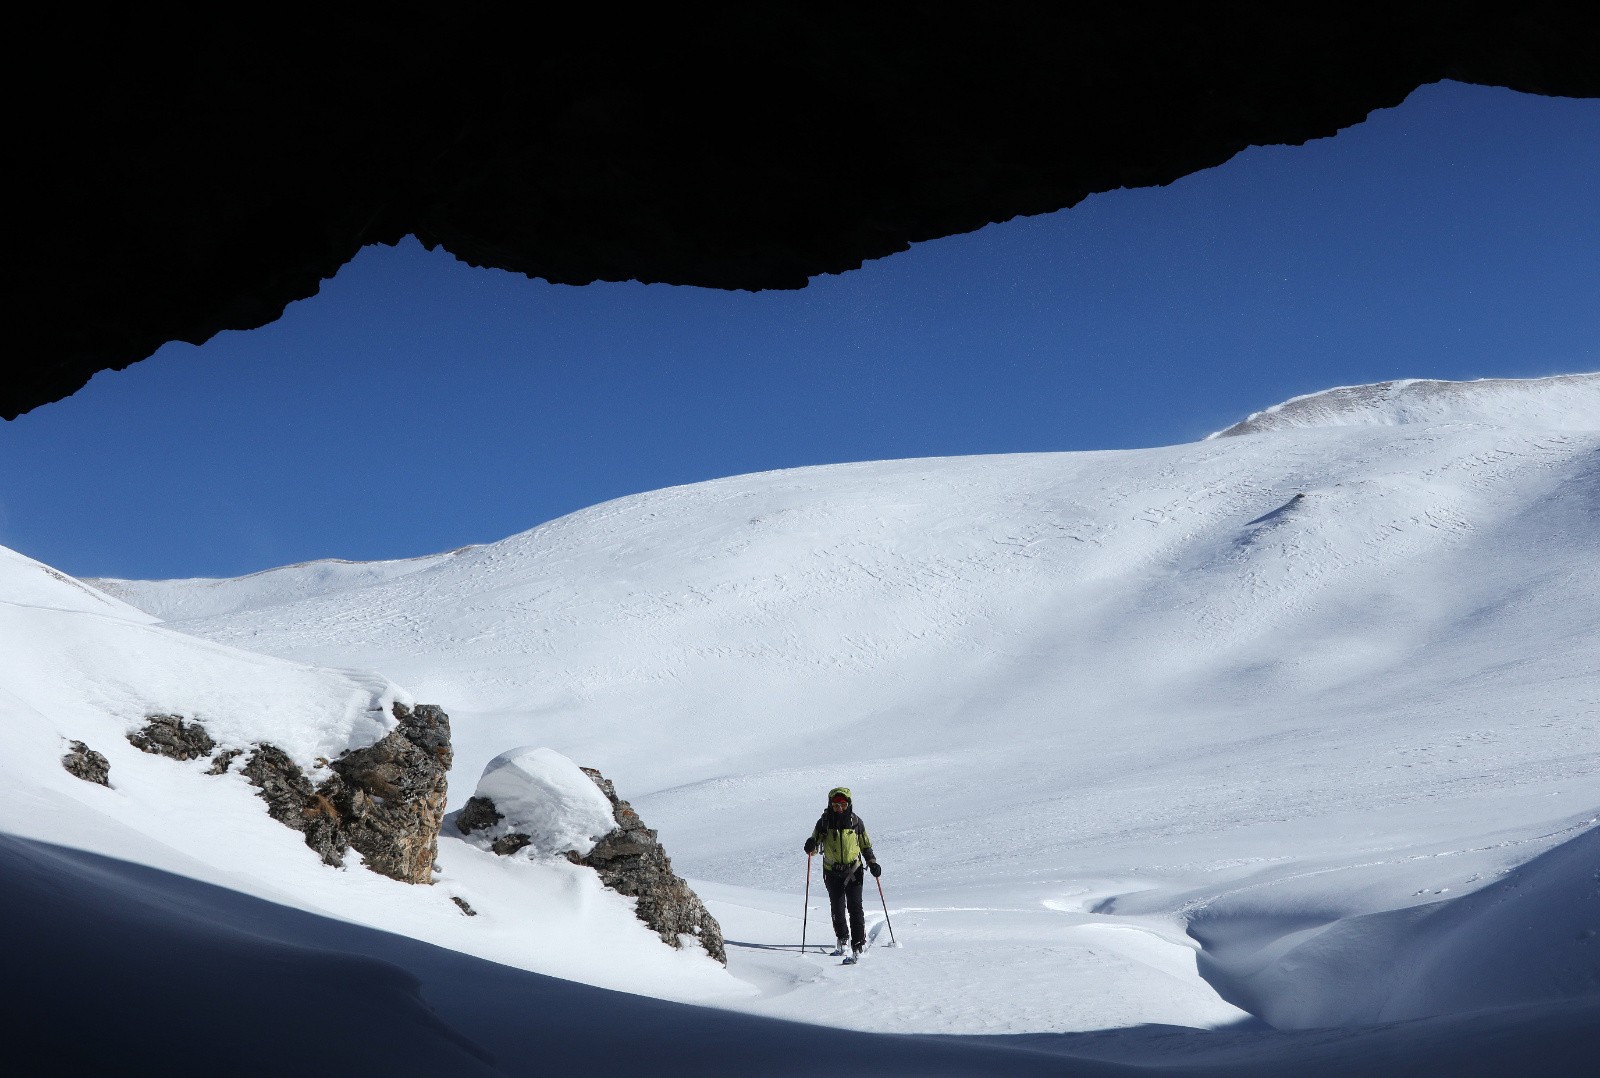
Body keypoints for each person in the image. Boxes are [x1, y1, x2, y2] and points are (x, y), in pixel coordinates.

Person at [802, 786, 881, 958]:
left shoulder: (856, 822)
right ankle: (843, 938)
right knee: (838, 908)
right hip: (832, 872)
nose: (839, 808)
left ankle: (858, 943)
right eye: (836, 805)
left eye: (843, 805)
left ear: (848, 804)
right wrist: (810, 846)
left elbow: (865, 845)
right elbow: (814, 847)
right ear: (830, 805)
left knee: (855, 907)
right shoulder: (824, 823)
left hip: (854, 870)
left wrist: (872, 863)